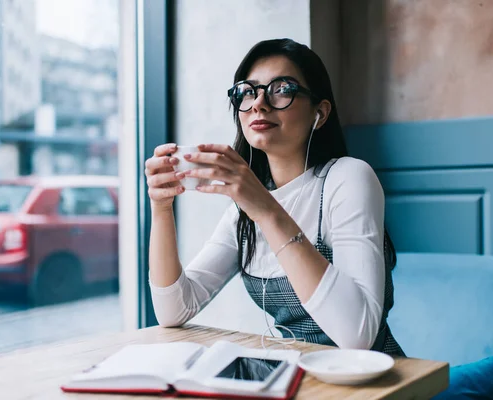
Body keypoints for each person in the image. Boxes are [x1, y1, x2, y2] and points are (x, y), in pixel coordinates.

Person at [144, 38, 405, 356]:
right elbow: (173, 311)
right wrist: (161, 206)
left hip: (375, 383)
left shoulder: (347, 178)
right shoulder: (243, 209)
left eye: (282, 89)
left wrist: (266, 210)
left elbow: (358, 336)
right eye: (247, 91)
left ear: (319, 113)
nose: (258, 103)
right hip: (298, 380)